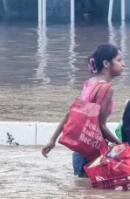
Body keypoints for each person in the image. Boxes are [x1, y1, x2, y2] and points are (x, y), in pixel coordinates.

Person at [41, 44, 124, 177]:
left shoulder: (90, 83)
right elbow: (101, 126)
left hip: (80, 151)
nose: (123, 64)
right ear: (106, 63)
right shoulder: (107, 88)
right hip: (92, 153)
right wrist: (120, 144)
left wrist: (52, 140)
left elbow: (70, 114)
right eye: (119, 60)